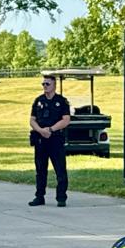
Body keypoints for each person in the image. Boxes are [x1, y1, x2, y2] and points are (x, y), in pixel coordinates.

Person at [29, 74, 71, 207]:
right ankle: (39, 196)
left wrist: (51, 129)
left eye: (47, 84)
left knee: (60, 169)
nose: (45, 86)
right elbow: (32, 120)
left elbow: (66, 120)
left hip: (55, 139)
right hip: (41, 140)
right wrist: (41, 131)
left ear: (54, 85)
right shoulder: (38, 101)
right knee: (40, 170)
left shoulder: (61, 102)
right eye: (43, 84)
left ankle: (61, 197)